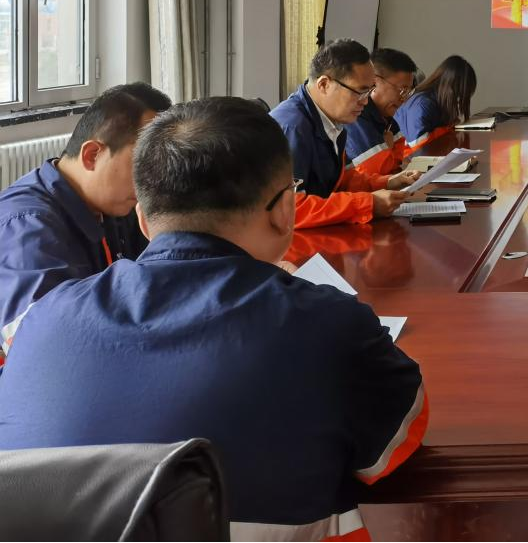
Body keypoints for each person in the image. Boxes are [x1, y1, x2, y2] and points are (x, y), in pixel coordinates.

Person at [0, 97, 429, 538]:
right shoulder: (330, 325)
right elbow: (393, 445)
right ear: (286, 210)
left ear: (143, 219)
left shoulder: (41, 321)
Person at [0, 82, 171, 335]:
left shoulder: (113, 202)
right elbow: (39, 339)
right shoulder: (27, 227)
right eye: (143, 165)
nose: (153, 181)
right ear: (92, 155)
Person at [271, 40, 421, 228]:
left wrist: (388, 182)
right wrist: (367, 204)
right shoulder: (292, 128)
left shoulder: (330, 117)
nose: (365, 102)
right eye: (359, 92)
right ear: (324, 84)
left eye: (369, 91)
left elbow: (339, 181)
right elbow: (289, 210)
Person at [346, 47, 418, 178]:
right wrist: (389, 148)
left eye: (409, 92)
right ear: (373, 82)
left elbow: (398, 161)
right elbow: (376, 172)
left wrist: (388, 151)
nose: (405, 99)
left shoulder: (389, 114)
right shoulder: (356, 114)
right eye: (402, 90)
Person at [394, 54, 478, 154]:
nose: (458, 100)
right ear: (451, 88)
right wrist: (446, 129)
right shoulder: (422, 104)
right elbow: (419, 147)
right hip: (412, 159)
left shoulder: (438, 100)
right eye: (459, 95)